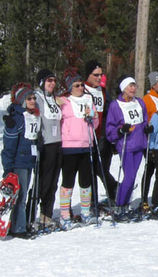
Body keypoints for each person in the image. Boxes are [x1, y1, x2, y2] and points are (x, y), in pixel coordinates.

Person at [57, 69, 99, 229]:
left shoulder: (89, 99)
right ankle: (64, 215)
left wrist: (92, 117)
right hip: (69, 147)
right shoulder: (64, 101)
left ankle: (85, 213)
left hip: (86, 146)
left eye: (81, 84)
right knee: (68, 182)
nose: (81, 87)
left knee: (86, 182)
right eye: (76, 85)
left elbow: (95, 124)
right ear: (70, 87)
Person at [105, 76, 149, 218]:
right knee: (129, 177)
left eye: (134, 86)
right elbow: (110, 128)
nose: (133, 89)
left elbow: (144, 121)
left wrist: (147, 130)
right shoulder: (115, 105)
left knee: (133, 176)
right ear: (123, 88)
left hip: (140, 144)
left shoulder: (140, 103)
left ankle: (124, 204)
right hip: (126, 145)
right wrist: (119, 131)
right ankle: (119, 204)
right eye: (130, 86)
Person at [1, 83, 41, 239]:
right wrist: (8, 168)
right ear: (22, 100)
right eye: (29, 98)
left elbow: (34, 138)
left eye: (33, 98)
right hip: (19, 163)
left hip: (29, 161)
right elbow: (9, 147)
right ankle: (18, 228)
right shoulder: (16, 120)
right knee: (21, 196)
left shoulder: (32, 116)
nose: (33, 101)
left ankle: (18, 224)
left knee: (23, 195)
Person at [83, 60, 118, 204]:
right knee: (91, 170)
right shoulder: (82, 89)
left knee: (102, 168)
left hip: (103, 135)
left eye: (101, 75)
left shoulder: (103, 91)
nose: (99, 78)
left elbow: (109, 111)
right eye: (95, 75)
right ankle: (93, 202)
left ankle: (113, 192)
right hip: (86, 135)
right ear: (88, 75)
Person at [33, 69, 62, 229]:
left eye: (53, 81)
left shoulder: (54, 99)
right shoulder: (37, 98)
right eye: (48, 81)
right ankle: (31, 213)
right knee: (43, 182)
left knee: (53, 183)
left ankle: (46, 214)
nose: (52, 83)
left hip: (58, 144)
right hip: (45, 144)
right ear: (42, 82)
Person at [140, 71, 158, 211]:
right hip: (151, 141)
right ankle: (144, 199)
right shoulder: (147, 99)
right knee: (149, 170)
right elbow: (144, 119)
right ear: (153, 85)